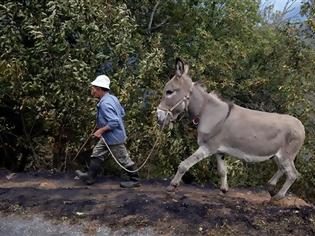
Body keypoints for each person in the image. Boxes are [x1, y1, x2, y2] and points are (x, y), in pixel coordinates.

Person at [75, 75, 140, 188]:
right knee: (97, 153)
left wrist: (100, 130)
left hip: (114, 137)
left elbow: (114, 122)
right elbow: (122, 113)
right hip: (108, 136)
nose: (92, 91)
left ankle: (135, 180)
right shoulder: (112, 98)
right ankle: (90, 177)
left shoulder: (105, 104)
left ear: (99, 89)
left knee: (123, 159)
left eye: (93, 88)